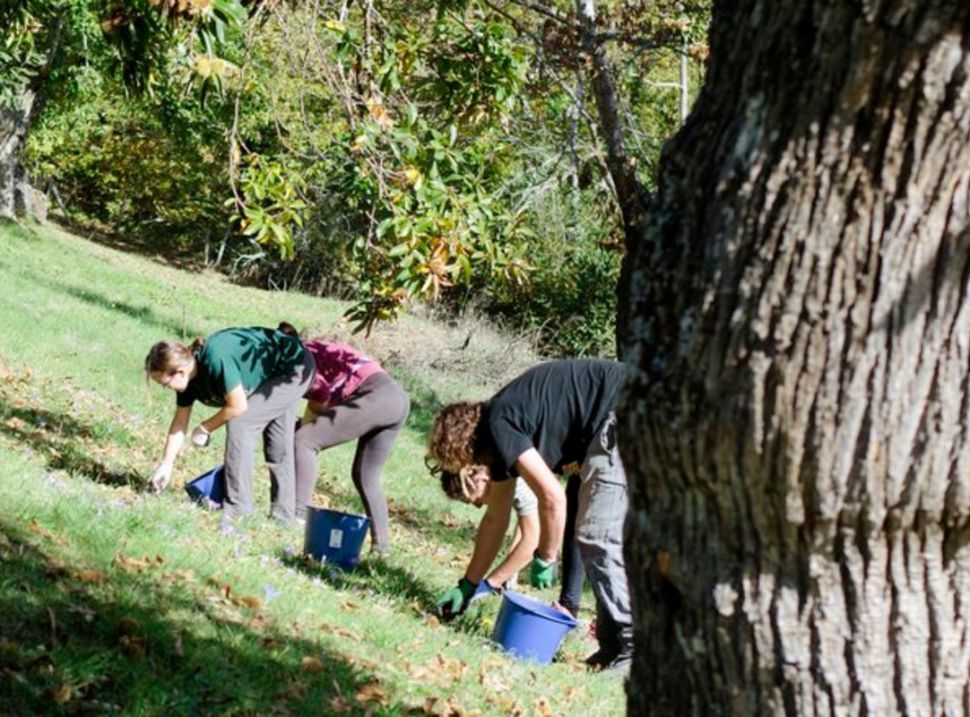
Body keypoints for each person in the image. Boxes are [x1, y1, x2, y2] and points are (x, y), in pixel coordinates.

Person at [426, 359, 631, 673]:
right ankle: (612, 648)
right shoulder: (500, 432)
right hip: (614, 418)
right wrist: (467, 585)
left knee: (598, 536)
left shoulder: (499, 422)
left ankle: (632, 650)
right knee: (599, 537)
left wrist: (547, 556)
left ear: (462, 447)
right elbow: (496, 519)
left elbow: (553, 497)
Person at [145, 324, 315, 524]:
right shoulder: (188, 381)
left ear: (179, 372)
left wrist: (205, 428)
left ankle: (237, 509)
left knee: (242, 424)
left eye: (165, 384)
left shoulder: (215, 358)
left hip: (295, 367)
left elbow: (238, 406)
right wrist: (166, 464)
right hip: (275, 370)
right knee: (277, 443)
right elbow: (179, 422)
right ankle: (283, 517)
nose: (166, 389)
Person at [289, 329, 410, 555]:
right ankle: (381, 548)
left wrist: (305, 426)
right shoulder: (316, 348)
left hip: (375, 395)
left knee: (304, 441)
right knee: (366, 475)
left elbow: (320, 394)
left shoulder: (298, 354)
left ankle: (296, 516)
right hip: (398, 399)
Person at [435, 472, 585, 620]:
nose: (478, 505)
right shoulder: (502, 475)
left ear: (480, 479)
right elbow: (504, 520)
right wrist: (468, 585)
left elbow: (533, 539)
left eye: (474, 499)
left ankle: (576, 612)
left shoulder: (512, 478)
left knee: (580, 516)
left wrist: (490, 583)